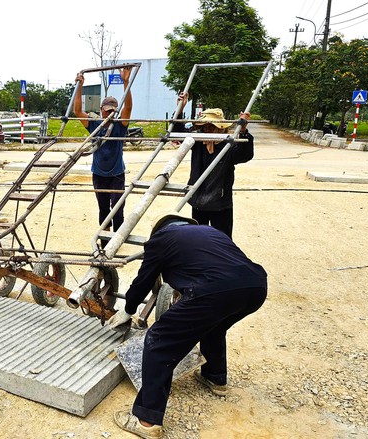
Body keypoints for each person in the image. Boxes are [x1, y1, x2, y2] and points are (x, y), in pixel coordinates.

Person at [108, 212, 267, 438]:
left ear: (160, 230)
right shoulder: (211, 232)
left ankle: (147, 421)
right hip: (255, 286)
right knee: (215, 324)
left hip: (213, 290)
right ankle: (215, 376)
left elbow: (144, 279)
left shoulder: (160, 240)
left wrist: (128, 309)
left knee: (159, 341)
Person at [73, 66, 133, 233]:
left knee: (118, 208)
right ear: (101, 110)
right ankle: (105, 237)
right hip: (99, 174)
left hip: (116, 174)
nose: (109, 115)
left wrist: (126, 81)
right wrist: (79, 85)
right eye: (106, 111)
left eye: (112, 112)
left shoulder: (120, 126)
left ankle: (117, 237)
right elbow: (77, 111)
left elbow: (128, 107)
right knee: (103, 208)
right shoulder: (94, 125)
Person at [187, 108, 253, 239]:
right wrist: (181, 108)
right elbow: (178, 133)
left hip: (220, 202)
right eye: (204, 126)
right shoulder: (198, 142)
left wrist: (244, 131)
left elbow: (244, 155)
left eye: (210, 126)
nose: (206, 130)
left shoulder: (228, 145)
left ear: (220, 128)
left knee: (222, 240)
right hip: (198, 200)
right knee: (198, 239)